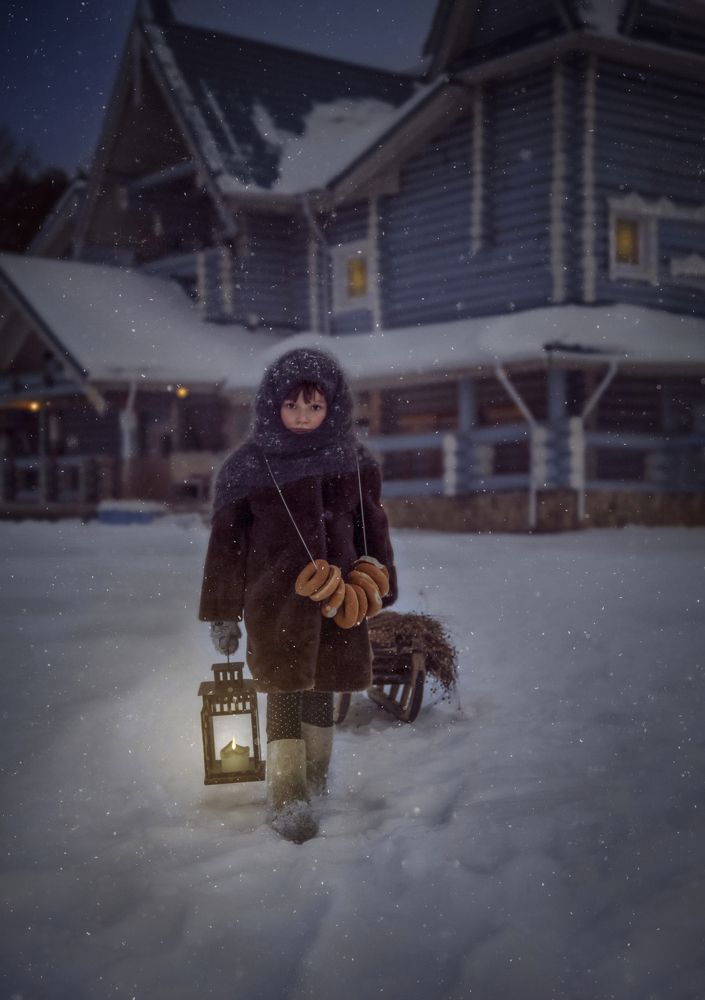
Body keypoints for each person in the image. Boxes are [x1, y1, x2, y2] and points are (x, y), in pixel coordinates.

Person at [199, 348, 397, 843]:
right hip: (274, 603)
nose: (303, 416)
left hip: (339, 602)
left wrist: (377, 579)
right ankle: (286, 796)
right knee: (284, 689)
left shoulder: (354, 462)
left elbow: (371, 526)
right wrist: (223, 611)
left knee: (323, 688)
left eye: (314, 406)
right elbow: (226, 546)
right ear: (271, 406)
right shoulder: (246, 468)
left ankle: (315, 781)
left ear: (333, 407)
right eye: (292, 406)